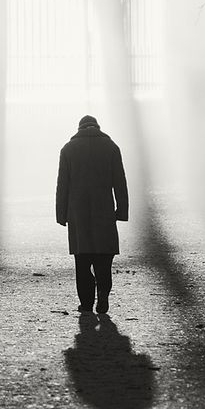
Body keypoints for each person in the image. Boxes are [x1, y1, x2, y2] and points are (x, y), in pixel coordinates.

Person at [55, 115, 129, 314]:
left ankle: (86, 303)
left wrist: (61, 214)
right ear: (98, 127)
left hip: (78, 215)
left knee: (82, 261)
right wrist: (122, 211)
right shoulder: (111, 148)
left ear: (79, 128)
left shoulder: (68, 149)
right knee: (104, 259)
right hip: (103, 211)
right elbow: (119, 182)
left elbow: (63, 185)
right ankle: (103, 294)